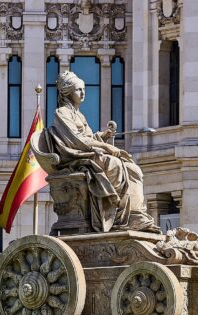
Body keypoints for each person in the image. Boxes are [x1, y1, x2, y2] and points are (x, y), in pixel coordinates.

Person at [45, 70, 160, 233]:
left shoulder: (79, 115)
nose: (83, 93)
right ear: (68, 91)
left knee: (133, 169)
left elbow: (90, 138)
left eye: (84, 89)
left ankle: (134, 214)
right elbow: (77, 141)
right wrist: (108, 147)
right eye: (79, 89)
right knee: (116, 165)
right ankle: (117, 216)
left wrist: (103, 136)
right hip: (76, 158)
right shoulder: (62, 113)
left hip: (89, 154)